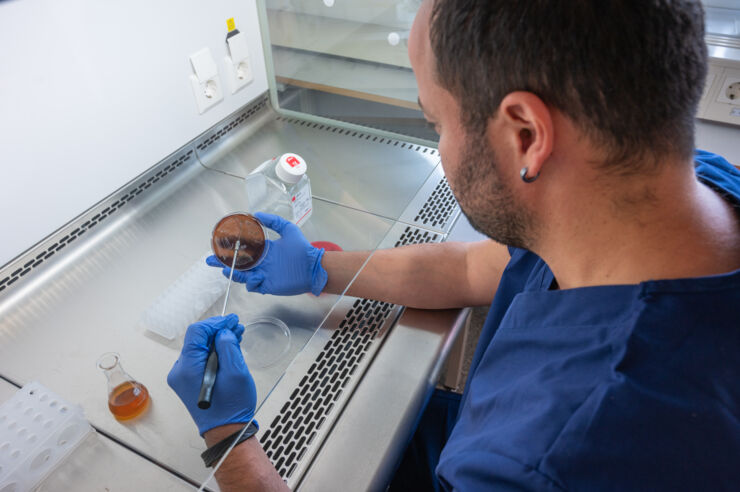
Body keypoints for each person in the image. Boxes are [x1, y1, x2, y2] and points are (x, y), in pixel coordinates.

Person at [167, 0, 740, 490]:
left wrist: (230, 441)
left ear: (526, 136)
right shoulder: (691, 186)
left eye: (436, 122)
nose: (439, 146)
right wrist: (319, 268)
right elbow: (471, 267)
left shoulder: (555, 457)